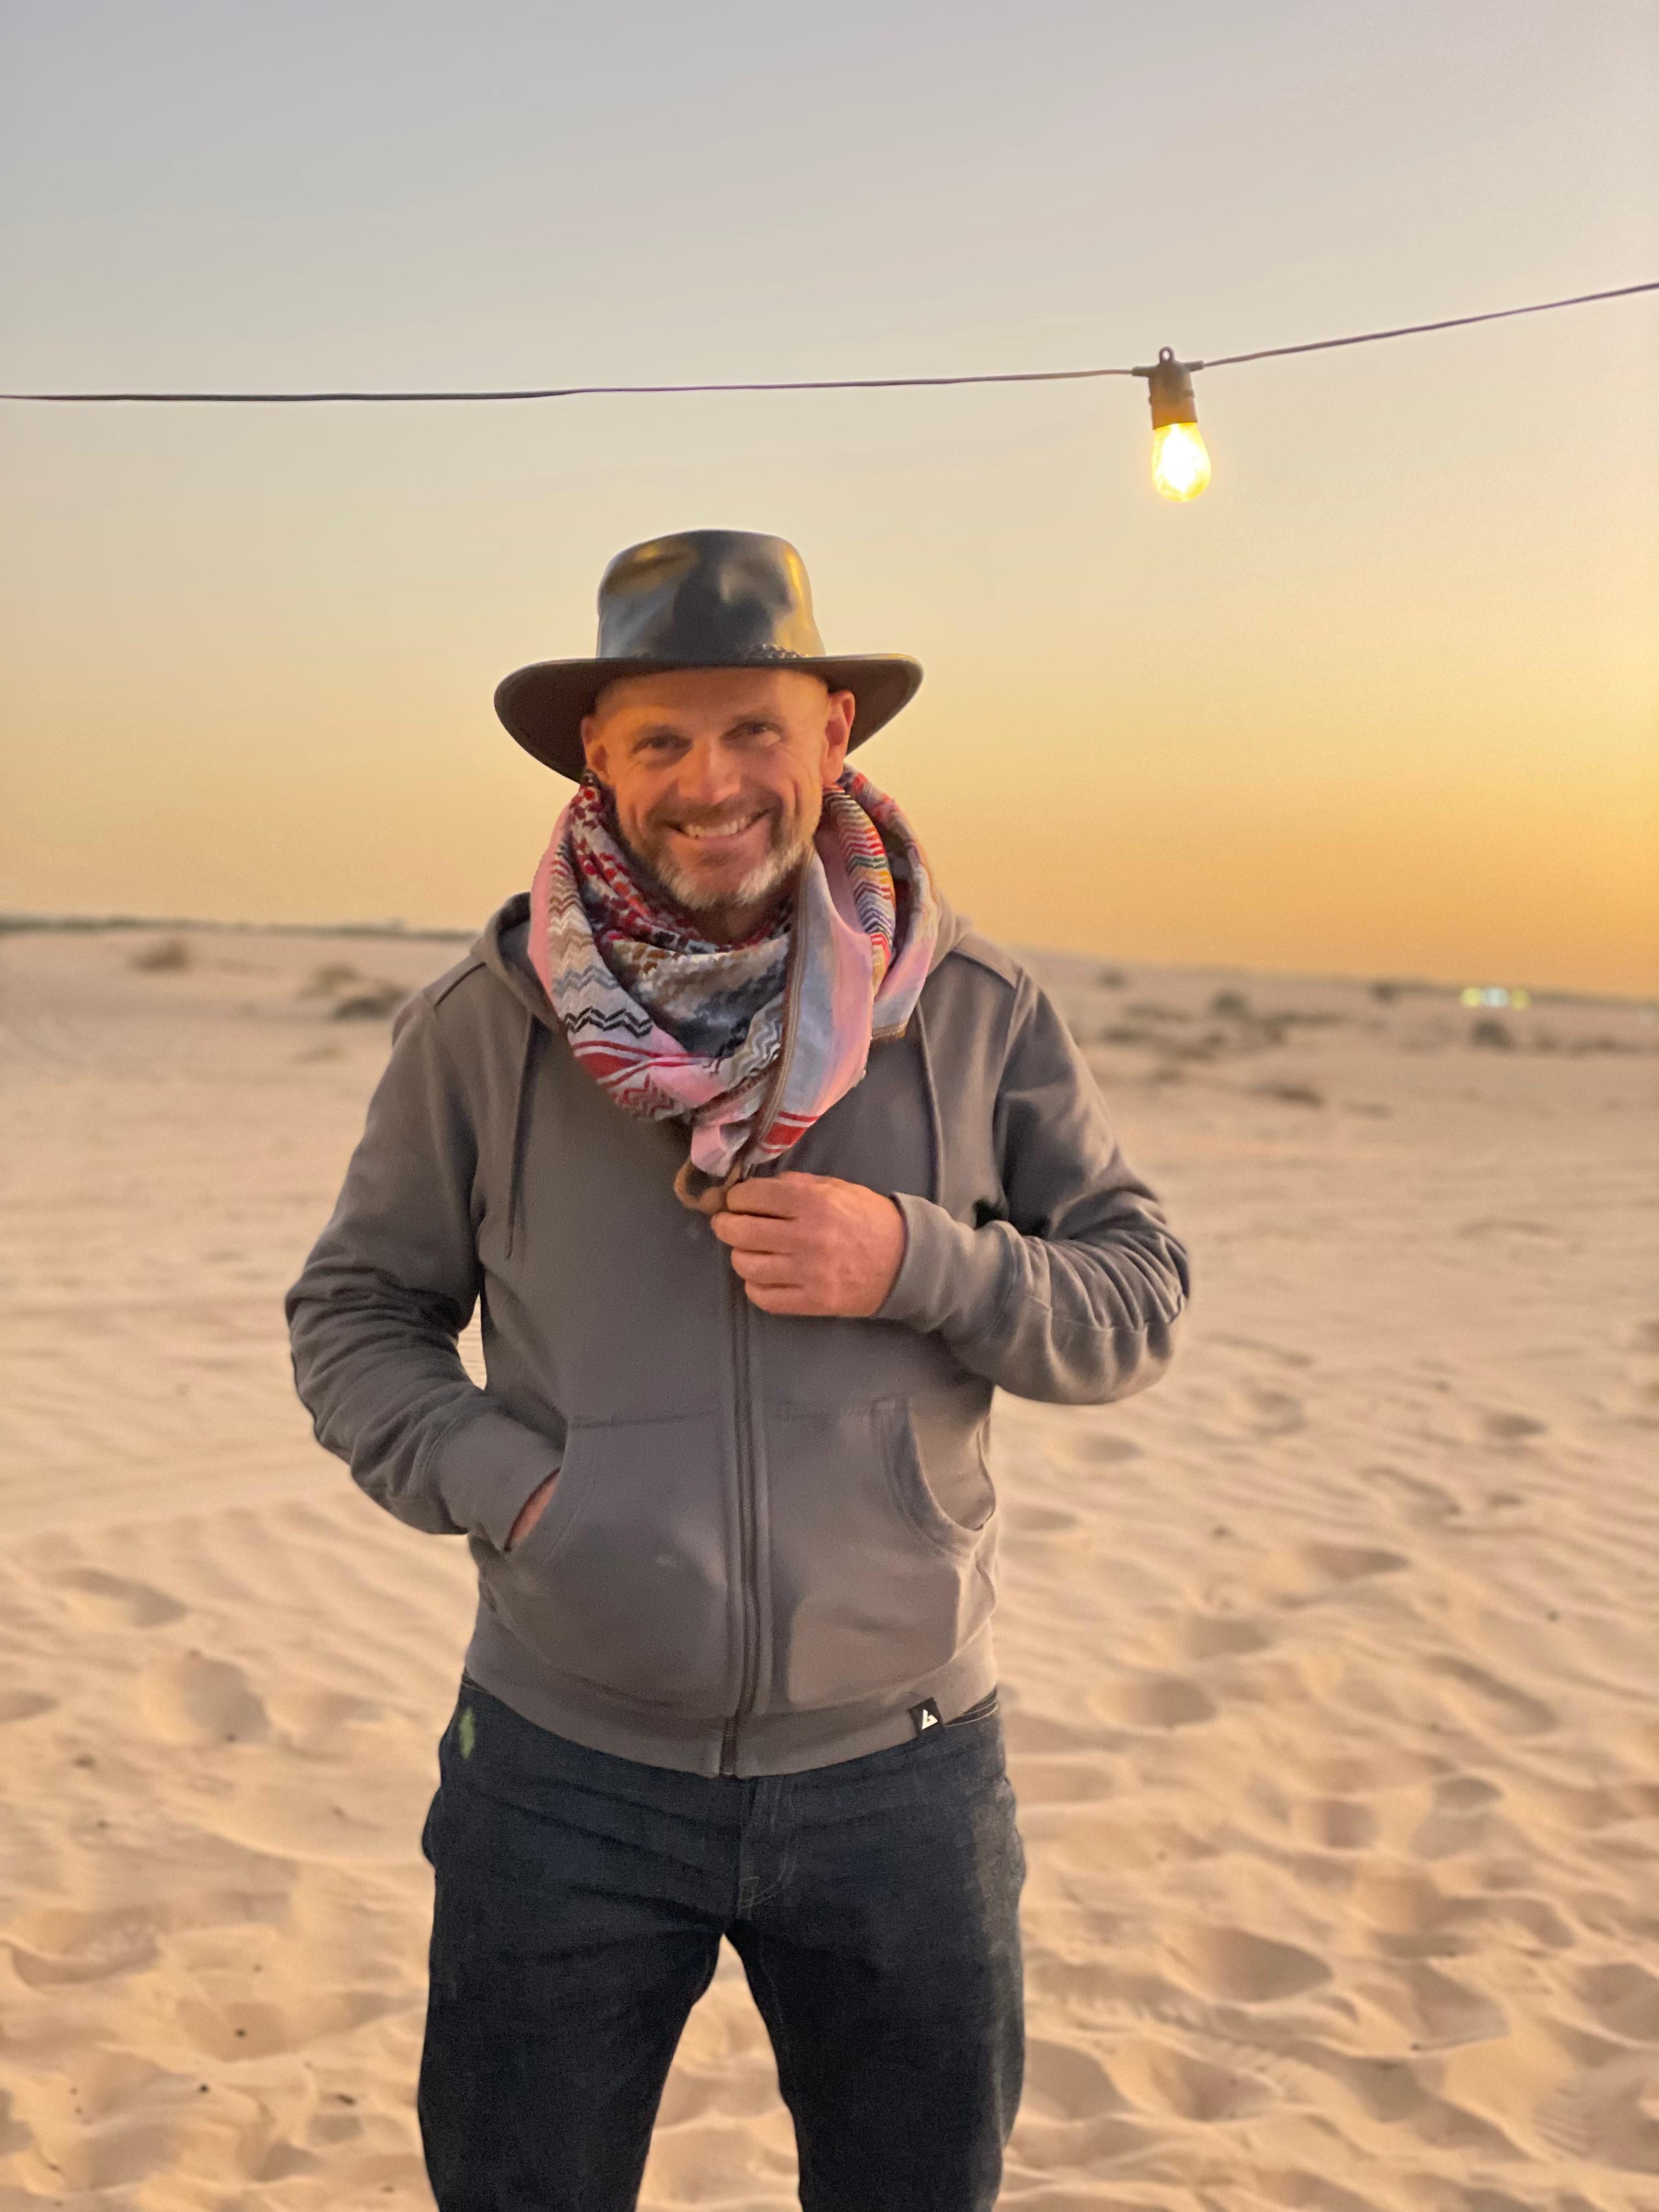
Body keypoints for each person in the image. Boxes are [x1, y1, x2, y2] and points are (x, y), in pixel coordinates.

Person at [285, 528, 1190, 2211]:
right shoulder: (487, 1030)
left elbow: (1136, 1293)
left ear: (835, 733)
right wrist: (524, 1494)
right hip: (561, 1772)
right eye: (660, 741)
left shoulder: (975, 1011)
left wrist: (913, 1257)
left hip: (906, 1773)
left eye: (754, 730)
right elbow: (350, 1319)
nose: (713, 783)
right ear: (596, 760)